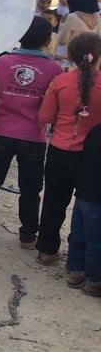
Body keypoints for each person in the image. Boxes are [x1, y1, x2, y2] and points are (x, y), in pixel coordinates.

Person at [0, 17, 64, 246]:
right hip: (34, 137)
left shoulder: (4, 62)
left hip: (2, 132)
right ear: (47, 41)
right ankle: (27, 235)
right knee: (30, 187)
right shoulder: (54, 69)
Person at [36, 33, 101, 266]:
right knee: (86, 208)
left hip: (59, 151)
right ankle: (79, 258)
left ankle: (47, 250)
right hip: (92, 157)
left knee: (54, 201)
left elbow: (44, 117)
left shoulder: (61, 82)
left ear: (71, 56)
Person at [65, 121, 101, 297]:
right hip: (97, 200)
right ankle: (92, 282)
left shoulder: (94, 131)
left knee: (78, 236)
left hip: (82, 194)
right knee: (95, 241)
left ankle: (75, 274)